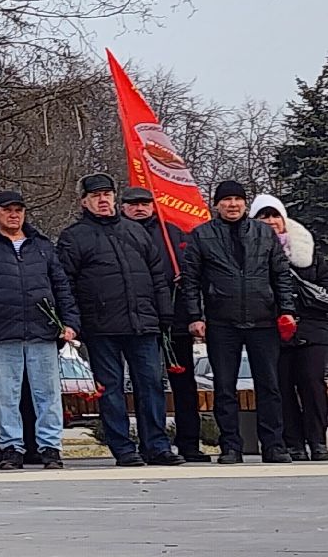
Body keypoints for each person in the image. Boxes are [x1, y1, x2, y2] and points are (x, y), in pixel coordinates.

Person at [56, 173, 180, 467]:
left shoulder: (136, 231)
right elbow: (64, 284)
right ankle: (123, 448)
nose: (103, 200)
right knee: (110, 389)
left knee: (151, 385)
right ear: (84, 201)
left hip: (143, 324)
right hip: (101, 327)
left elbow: (157, 276)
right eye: (96, 196)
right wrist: (73, 320)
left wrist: (164, 314)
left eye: (107, 194)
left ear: (114, 197)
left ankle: (157, 446)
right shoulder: (73, 237)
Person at [0, 191, 79, 470]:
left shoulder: (42, 246)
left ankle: (50, 447)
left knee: (48, 394)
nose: (14, 215)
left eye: (19, 210)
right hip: (1, 334)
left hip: (42, 332)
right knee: (6, 395)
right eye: (8, 210)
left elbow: (61, 286)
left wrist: (70, 322)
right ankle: (11, 447)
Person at [181, 179, 295, 463]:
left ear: (245, 203)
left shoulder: (264, 233)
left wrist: (287, 310)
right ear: (216, 204)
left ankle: (273, 445)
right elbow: (190, 280)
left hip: (263, 319)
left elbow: (281, 275)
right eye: (226, 200)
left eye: (237, 199)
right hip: (222, 321)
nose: (232, 205)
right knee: (224, 387)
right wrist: (195, 316)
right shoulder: (201, 235)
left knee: (269, 386)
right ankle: (231, 446)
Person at [121, 187, 208, 461]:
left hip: (175, 320)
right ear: (123, 207)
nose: (139, 208)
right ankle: (150, 442)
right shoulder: (119, 234)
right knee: (146, 383)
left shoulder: (173, 233)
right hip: (139, 321)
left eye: (144, 203)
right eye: (133, 204)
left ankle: (189, 443)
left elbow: (193, 269)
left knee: (184, 385)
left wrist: (186, 278)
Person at [250, 196, 328, 459]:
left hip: (311, 327)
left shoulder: (307, 249)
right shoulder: (250, 253)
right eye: (264, 216)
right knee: (280, 386)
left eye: (275, 215)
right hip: (270, 327)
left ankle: (317, 440)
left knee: (312, 382)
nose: (271, 221)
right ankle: (293, 442)